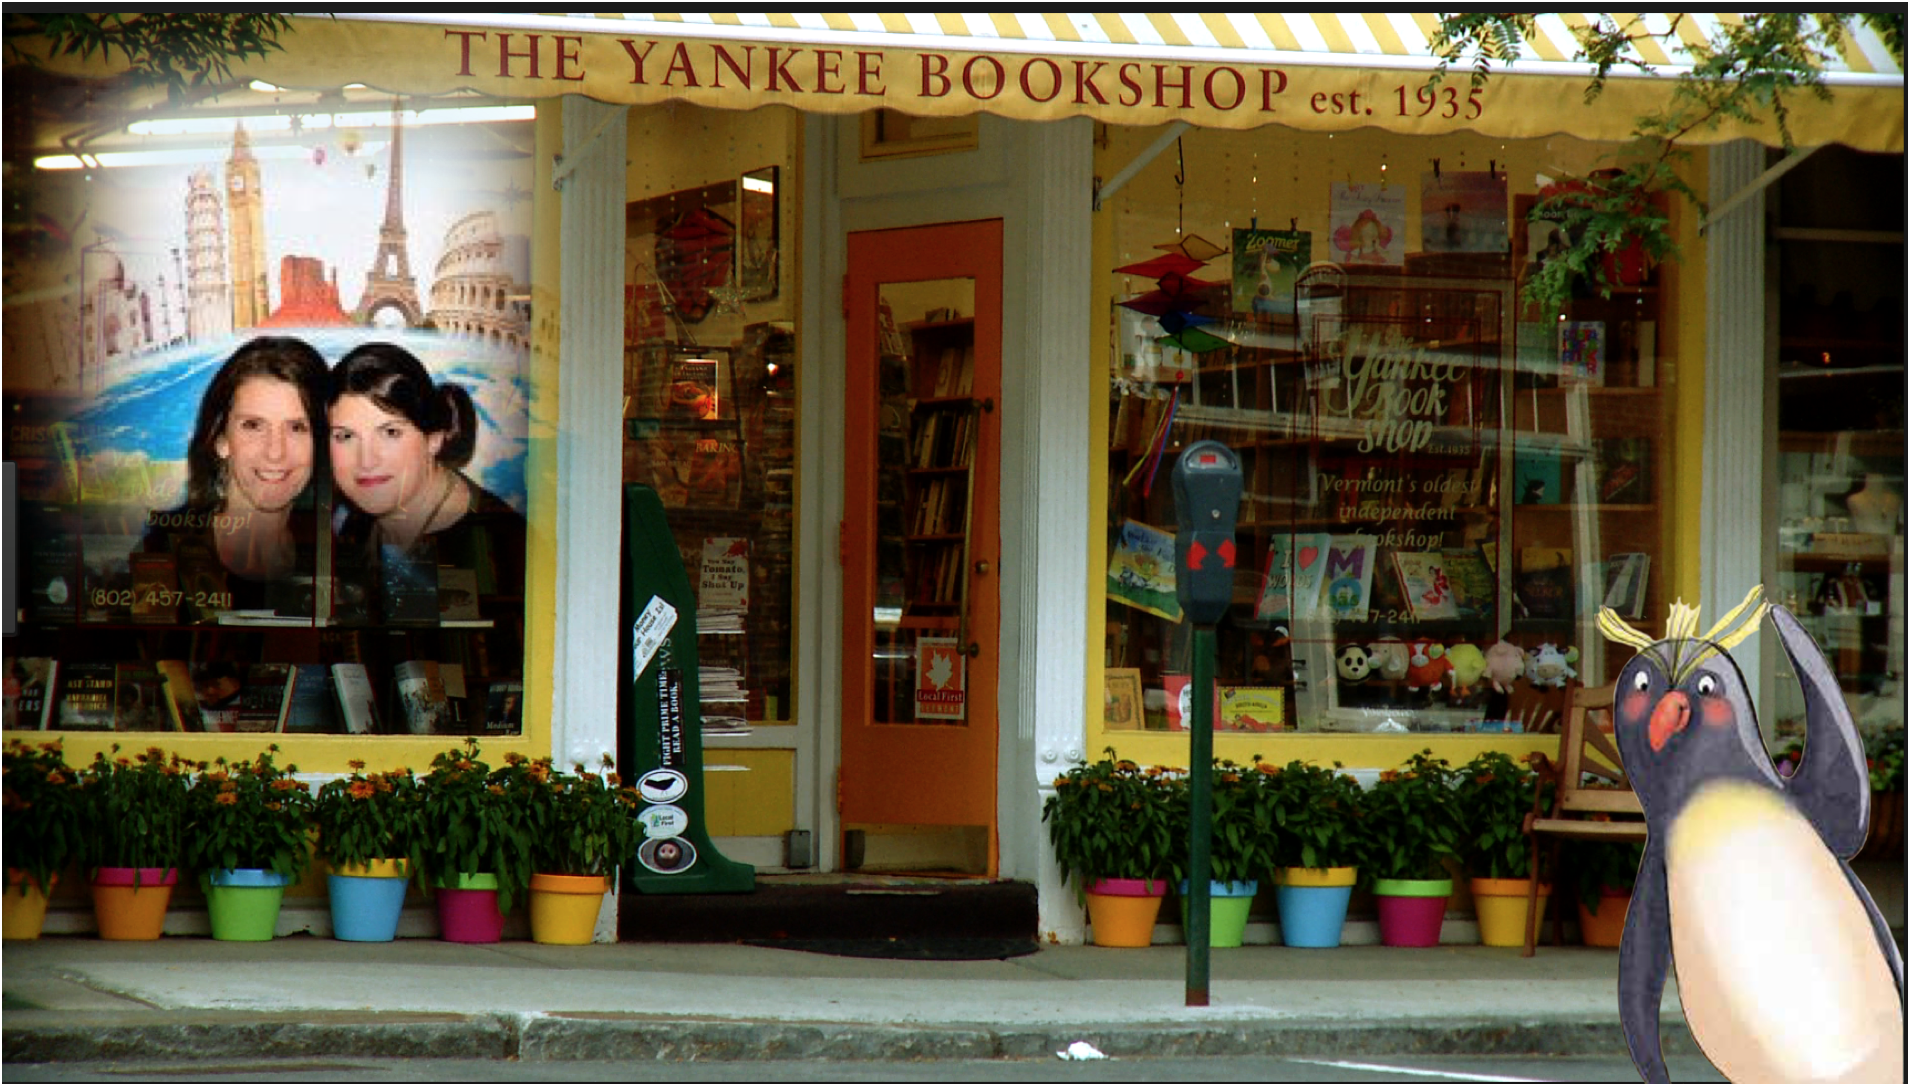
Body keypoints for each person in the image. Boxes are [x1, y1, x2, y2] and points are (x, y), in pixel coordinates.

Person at [326, 342, 526, 620]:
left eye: (391, 432)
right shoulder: (338, 531)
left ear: (434, 438)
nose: (366, 460)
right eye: (345, 436)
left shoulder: (505, 545)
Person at [144, 336, 328, 608]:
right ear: (221, 440)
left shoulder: (332, 556)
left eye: (297, 427)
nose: (275, 452)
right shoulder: (164, 553)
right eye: (253, 425)